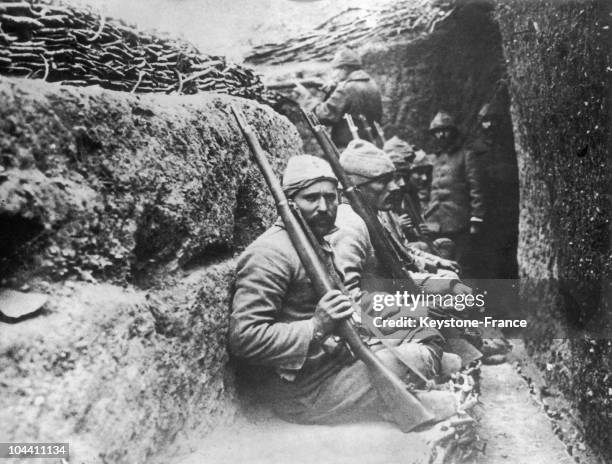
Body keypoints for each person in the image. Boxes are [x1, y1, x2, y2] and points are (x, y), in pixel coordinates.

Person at [229, 154, 446, 427]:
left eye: (330, 198)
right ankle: (399, 399)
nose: (324, 207)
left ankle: (398, 395)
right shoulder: (269, 254)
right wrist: (316, 326)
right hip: (305, 391)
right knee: (422, 358)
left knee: (429, 338)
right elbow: (244, 339)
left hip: (336, 362)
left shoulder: (315, 241)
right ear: (290, 202)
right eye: (311, 198)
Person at [329, 140, 482, 366]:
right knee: (443, 332)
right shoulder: (349, 225)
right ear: (357, 187)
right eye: (382, 182)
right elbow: (350, 300)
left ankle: (463, 350)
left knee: (454, 290)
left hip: (390, 297)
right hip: (373, 321)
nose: (395, 187)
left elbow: (400, 263)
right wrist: (417, 309)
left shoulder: (371, 214)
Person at [426, 111, 485, 277]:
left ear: (453, 132)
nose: (442, 135)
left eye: (446, 130)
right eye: (437, 131)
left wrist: (476, 219)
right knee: (437, 263)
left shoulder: (466, 155)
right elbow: (426, 189)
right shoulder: (432, 159)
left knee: (461, 265)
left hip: (458, 221)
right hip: (434, 222)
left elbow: (476, 189)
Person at [293, 48, 383, 149]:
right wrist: (332, 90)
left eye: (336, 69)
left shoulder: (346, 89)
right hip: (369, 144)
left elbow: (323, 115)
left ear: (344, 68)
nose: (333, 74)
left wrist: (305, 97)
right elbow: (352, 106)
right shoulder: (370, 83)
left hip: (349, 148)